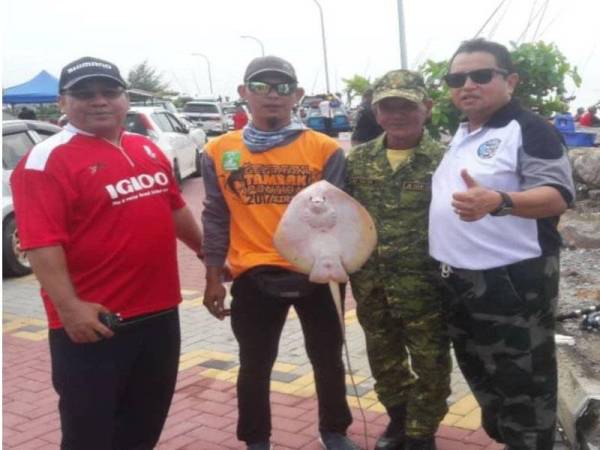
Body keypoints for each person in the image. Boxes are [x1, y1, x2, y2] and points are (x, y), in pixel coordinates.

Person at [10, 56, 204, 450]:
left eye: (109, 91)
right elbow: (41, 242)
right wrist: (69, 307)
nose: (98, 101)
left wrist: (208, 256)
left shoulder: (146, 148)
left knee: (144, 424)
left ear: (125, 99)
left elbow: (174, 209)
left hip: (161, 314)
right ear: (62, 103)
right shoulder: (44, 161)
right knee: (90, 434)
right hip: (95, 322)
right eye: (84, 94)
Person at [201, 55, 359, 450]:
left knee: (326, 359)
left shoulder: (324, 149)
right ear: (243, 94)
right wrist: (212, 277)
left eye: (283, 87)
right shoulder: (218, 150)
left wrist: (342, 268)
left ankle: (334, 430)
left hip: (318, 271)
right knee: (255, 363)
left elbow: (340, 215)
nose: (272, 95)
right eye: (260, 86)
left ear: (298, 95)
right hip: (253, 275)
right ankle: (256, 439)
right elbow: (216, 216)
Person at [429, 39, 575, 450]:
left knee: (524, 385)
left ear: (510, 80)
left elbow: (558, 195)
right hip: (459, 282)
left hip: (511, 282)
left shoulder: (528, 129)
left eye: (481, 75)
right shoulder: (463, 132)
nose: (467, 85)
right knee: (484, 377)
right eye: (457, 78)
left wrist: (500, 201)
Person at [346, 70, 451, 450]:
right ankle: (399, 420)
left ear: (426, 107)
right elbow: (339, 217)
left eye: (406, 105)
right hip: (372, 284)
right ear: (376, 113)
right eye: (387, 106)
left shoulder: (445, 160)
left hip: (425, 285)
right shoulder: (358, 161)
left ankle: (422, 433)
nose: (396, 114)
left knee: (431, 363)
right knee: (384, 360)